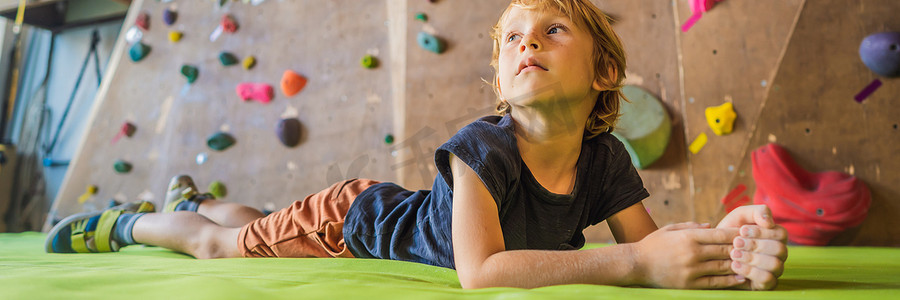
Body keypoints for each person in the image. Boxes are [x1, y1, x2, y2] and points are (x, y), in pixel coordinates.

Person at [46, 0, 787, 290]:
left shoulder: (608, 161)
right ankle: (130, 222)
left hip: (376, 210)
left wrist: (720, 239)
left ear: (604, 71)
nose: (528, 39)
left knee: (250, 224)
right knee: (220, 248)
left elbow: (650, 242)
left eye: (554, 29)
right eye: (516, 38)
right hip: (351, 221)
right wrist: (633, 267)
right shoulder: (483, 148)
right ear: (502, 77)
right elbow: (482, 273)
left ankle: (197, 200)